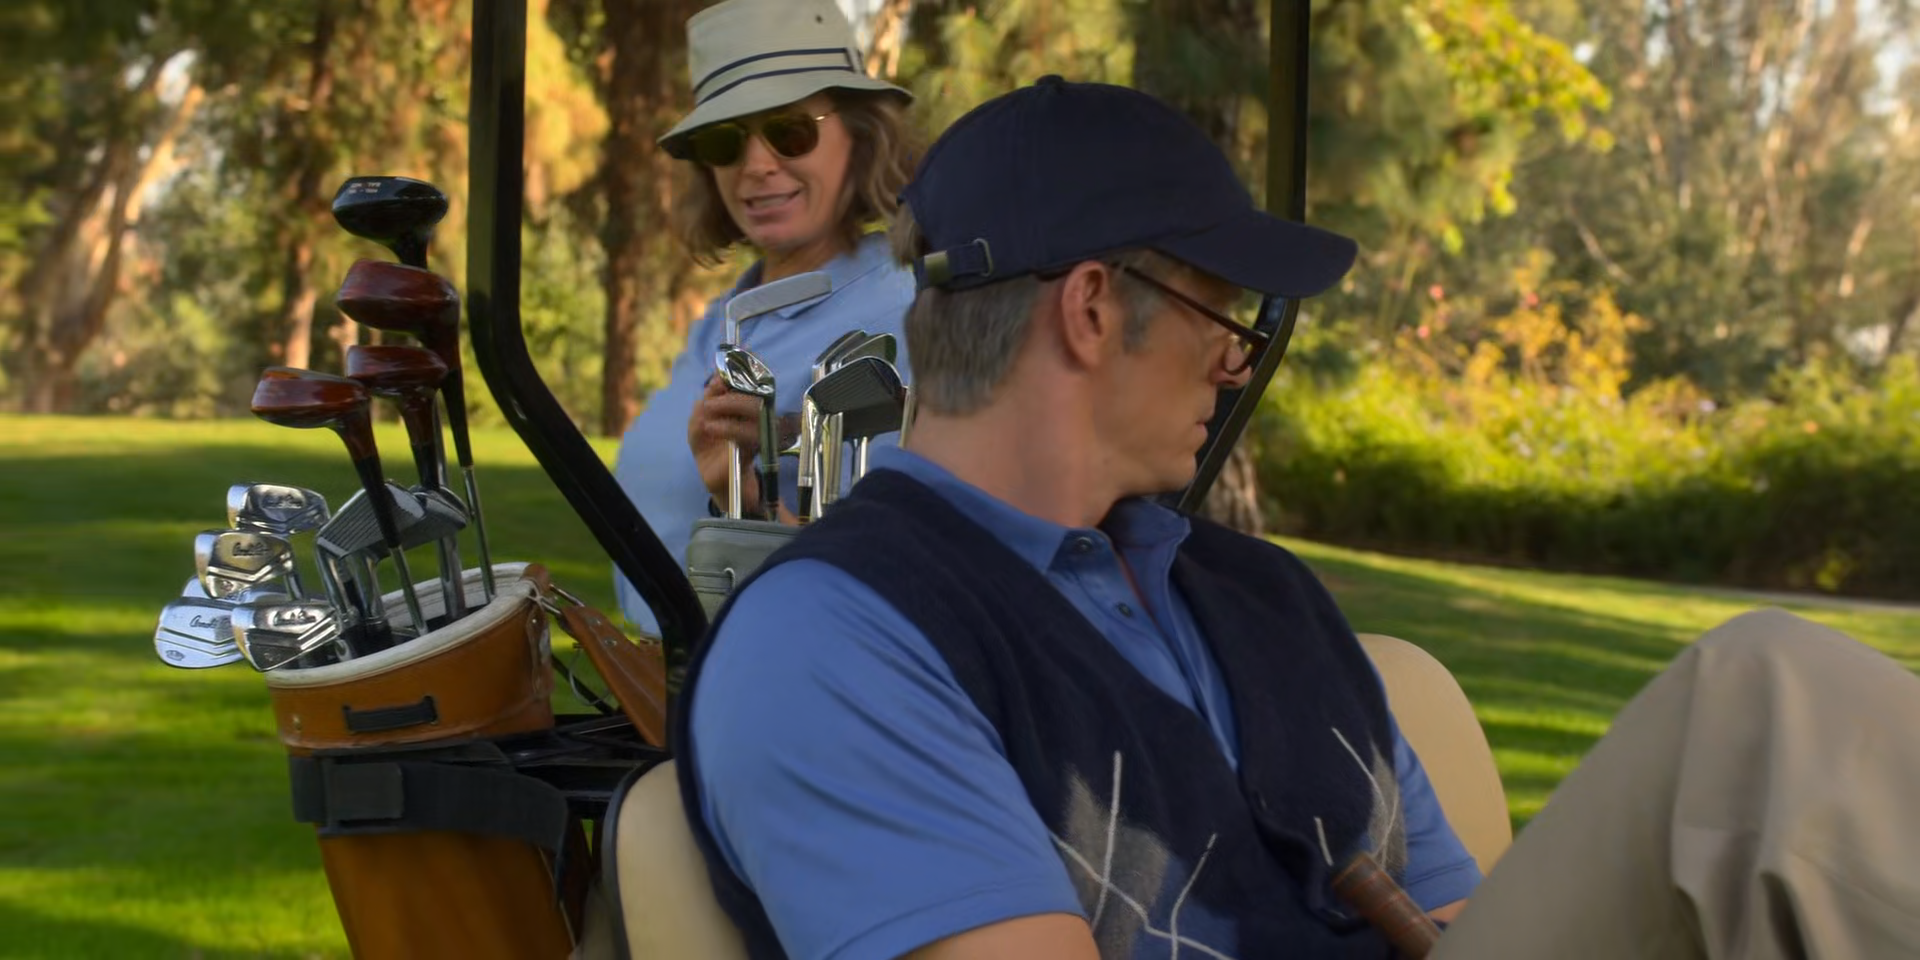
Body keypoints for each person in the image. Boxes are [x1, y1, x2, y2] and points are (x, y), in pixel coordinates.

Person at [671, 77, 1920, 960]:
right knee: (1765, 703)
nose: (1238, 361)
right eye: (1227, 311)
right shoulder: (832, 643)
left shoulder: (1260, 598)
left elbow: (1458, 918)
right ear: (1093, 308)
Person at [610, 0, 919, 634]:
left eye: (790, 131)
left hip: (774, 683)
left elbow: (890, 582)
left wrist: (748, 499)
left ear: (860, 135)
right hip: (655, 684)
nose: (756, 165)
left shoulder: (910, 311)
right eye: (725, 141)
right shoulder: (725, 318)